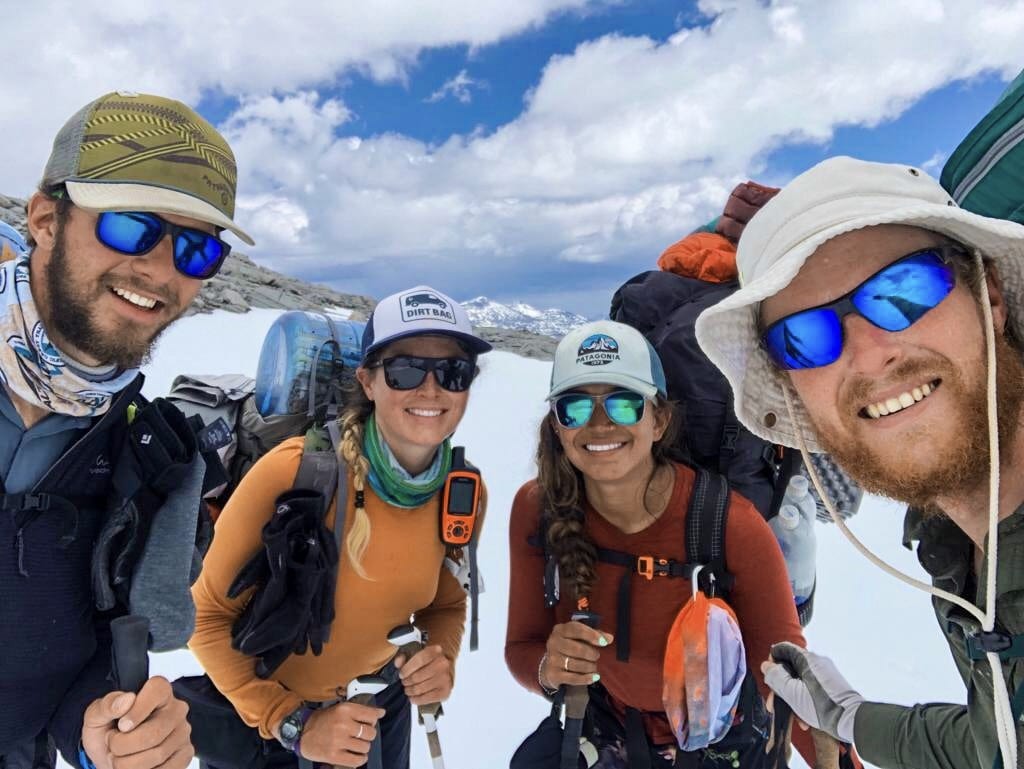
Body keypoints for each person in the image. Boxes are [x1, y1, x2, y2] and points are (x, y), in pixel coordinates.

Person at [695, 156, 1024, 769]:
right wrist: (851, 717)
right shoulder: (958, 549)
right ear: (794, 389)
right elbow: (998, 741)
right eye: (804, 335)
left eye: (903, 292)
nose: (868, 355)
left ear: (993, 296)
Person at [0, 92, 253, 769]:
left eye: (197, 249)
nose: (162, 269)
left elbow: (69, 671)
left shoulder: (147, 456)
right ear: (46, 218)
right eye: (132, 226)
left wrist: (103, 738)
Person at [190, 285, 491, 769]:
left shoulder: (462, 492)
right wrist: (293, 723)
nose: (431, 389)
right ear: (368, 381)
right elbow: (204, 618)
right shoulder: (293, 473)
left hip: (377, 712)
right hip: (269, 725)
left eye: (453, 372)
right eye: (406, 369)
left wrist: (440, 659)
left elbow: (447, 604)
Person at [505, 319, 815, 768]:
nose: (599, 424)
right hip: (603, 728)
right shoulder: (539, 507)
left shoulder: (728, 524)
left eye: (625, 405)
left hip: (716, 744)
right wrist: (548, 668)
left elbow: (787, 678)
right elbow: (523, 648)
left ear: (660, 420)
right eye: (574, 407)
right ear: (557, 426)